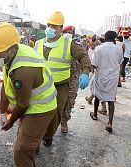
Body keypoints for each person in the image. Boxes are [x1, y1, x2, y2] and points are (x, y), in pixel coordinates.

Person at [0, 22, 57, 167]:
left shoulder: (23, 70)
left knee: (21, 150)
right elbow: (5, 86)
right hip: (32, 106)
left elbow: (23, 104)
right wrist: (2, 112)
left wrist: (10, 121)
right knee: (24, 140)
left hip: (41, 109)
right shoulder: (12, 56)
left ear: (9, 50)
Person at [34, 12, 91, 146]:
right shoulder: (37, 43)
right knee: (37, 113)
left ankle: (48, 135)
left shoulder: (68, 43)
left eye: (54, 26)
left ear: (61, 28)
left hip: (60, 86)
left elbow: (84, 57)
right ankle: (35, 140)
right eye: (49, 25)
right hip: (40, 86)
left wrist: (85, 72)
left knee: (56, 113)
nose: (50, 28)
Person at [89, 31, 123, 133]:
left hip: (101, 76)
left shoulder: (99, 48)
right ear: (114, 39)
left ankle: (95, 115)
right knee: (111, 99)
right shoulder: (119, 48)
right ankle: (110, 122)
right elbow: (119, 62)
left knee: (97, 96)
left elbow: (94, 64)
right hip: (113, 77)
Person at [59, 26, 81, 133]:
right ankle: (52, 123)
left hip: (73, 79)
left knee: (70, 100)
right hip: (60, 78)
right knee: (56, 101)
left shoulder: (77, 46)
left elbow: (82, 59)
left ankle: (64, 121)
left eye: (70, 32)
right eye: (66, 32)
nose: (68, 34)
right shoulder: (58, 46)